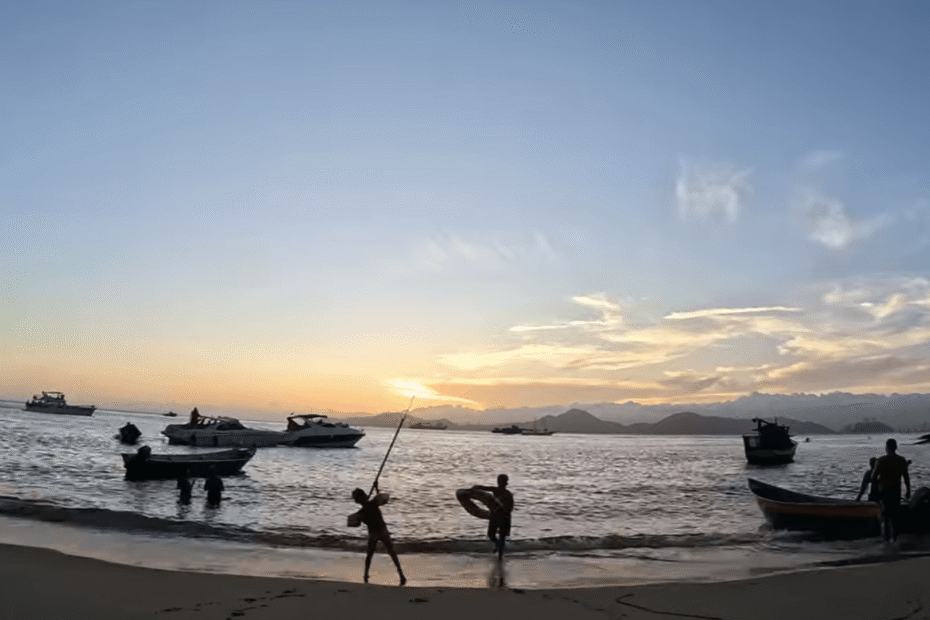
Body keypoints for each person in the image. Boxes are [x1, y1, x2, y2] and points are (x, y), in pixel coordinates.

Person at [349, 484, 406, 585]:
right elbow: (382, 500)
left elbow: (354, 523)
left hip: (375, 532)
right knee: (390, 552)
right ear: (365, 496)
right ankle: (401, 574)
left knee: (370, 555)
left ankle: (366, 576)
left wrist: (376, 489)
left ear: (357, 501)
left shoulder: (362, 512)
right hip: (380, 530)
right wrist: (377, 490)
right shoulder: (371, 505)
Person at [872, 438, 911, 541]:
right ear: (896, 447)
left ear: (886, 448)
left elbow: (873, 477)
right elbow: (906, 477)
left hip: (884, 492)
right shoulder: (901, 460)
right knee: (895, 516)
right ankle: (894, 538)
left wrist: (876, 488)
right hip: (895, 491)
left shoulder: (881, 460)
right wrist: (908, 491)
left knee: (885, 515)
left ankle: (886, 539)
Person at [474, 474, 514, 558]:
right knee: (496, 535)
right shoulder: (500, 491)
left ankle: (499, 550)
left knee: (496, 535)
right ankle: (499, 547)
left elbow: (510, 507)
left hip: (500, 516)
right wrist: (476, 488)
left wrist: (477, 487)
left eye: (501, 481)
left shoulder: (505, 493)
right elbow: (485, 488)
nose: (500, 483)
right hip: (501, 516)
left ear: (505, 483)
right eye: (499, 481)